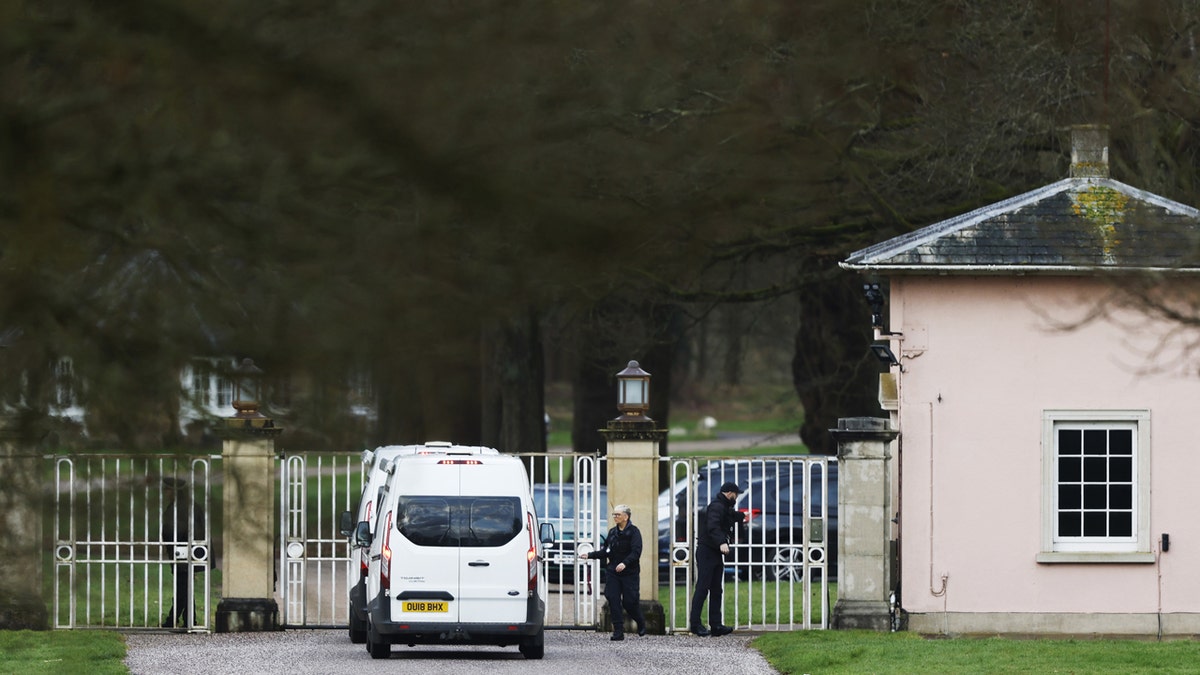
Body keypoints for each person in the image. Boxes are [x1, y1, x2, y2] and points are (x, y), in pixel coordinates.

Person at [580, 503, 647, 640]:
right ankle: (618, 631)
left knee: (629, 602)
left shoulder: (634, 532)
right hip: (613, 572)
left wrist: (625, 563)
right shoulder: (612, 532)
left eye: (618, 515)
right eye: (614, 514)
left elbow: (636, 552)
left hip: (630, 573)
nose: (615, 517)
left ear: (626, 517)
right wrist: (590, 555)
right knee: (612, 598)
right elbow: (606, 551)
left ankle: (640, 622)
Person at [688, 481, 745, 637]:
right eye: (736, 494)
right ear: (729, 493)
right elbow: (713, 526)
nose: (736, 497)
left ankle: (716, 625)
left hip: (714, 553)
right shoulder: (716, 506)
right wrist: (721, 542)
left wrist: (742, 516)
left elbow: (730, 516)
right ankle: (695, 624)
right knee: (702, 587)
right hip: (707, 552)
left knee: (716, 589)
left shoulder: (724, 507)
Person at [161, 477, 205, 629]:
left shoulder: (180, 508)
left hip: (183, 553)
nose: (165, 493)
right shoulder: (186, 506)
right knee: (185, 587)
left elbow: (177, 532)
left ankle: (175, 619)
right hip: (186, 553)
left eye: (167, 490)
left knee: (182, 587)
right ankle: (187, 619)